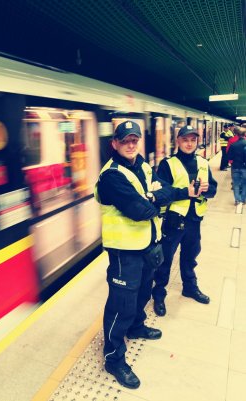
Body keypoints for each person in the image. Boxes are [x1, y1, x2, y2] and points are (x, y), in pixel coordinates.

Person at [95, 120, 174, 389]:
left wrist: (154, 197)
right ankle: (113, 358)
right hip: (123, 253)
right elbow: (141, 210)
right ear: (114, 144)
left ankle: (136, 326)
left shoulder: (142, 164)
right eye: (125, 140)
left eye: (134, 140)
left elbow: (165, 189)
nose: (131, 145)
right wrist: (154, 199)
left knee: (143, 292)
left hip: (147, 245)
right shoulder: (111, 177)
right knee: (121, 304)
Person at [152, 125, 218, 317]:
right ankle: (158, 293)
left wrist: (206, 189)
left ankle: (190, 287)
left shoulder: (203, 163)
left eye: (193, 140)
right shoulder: (167, 164)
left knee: (190, 256)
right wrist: (185, 193)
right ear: (178, 141)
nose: (189, 143)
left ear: (197, 142)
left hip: (194, 220)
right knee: (165, 259)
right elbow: (161, 194)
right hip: (173, 220)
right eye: (185, 140)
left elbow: (213, 190)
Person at [227, 128, 246, 205]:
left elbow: (229, 157)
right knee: (245, 184)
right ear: (244, 134)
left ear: (237, 135)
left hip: (235, 167)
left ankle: (237, 200)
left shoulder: (233, 145)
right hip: (245, 168)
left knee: (236, 184)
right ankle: (243, 199)